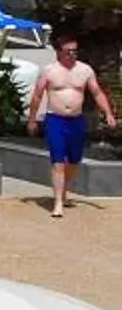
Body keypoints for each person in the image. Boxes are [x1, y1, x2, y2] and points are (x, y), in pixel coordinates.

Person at [26, 31, 115, 218]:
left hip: (76, 120)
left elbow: (97, 92)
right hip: (55, 119)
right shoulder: (49, 70)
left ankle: (64, 192)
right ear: (59, 52)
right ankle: (58, 202)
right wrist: (32, 119)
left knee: (74, 161)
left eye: (74, 51)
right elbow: (37, 95)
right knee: (58, 162)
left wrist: (108, 113)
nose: (72, 55)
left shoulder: (84, 70)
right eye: (68, 51)